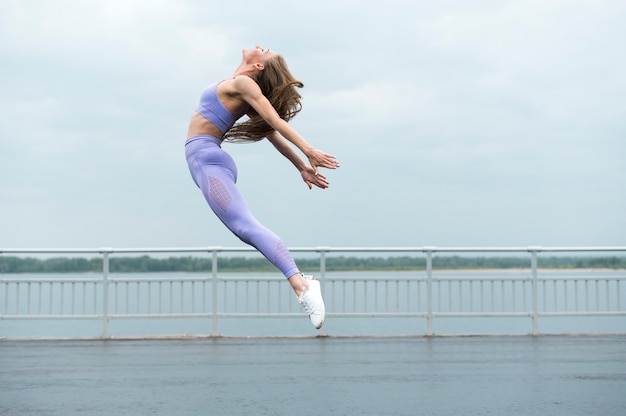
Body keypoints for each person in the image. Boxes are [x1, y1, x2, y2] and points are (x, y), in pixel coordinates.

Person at [185, 46, 340, 329]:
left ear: (258, 67)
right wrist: (300, 166)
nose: (263, 48)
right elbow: (270, 134)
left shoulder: (245, 83)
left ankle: (300, 284)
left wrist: (308, 151)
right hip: (207, 162)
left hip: (208, 161)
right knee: (243, 228)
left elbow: (274, 122)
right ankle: (300, 282)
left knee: (246, 227)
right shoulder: (238, 88)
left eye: (267, 53)